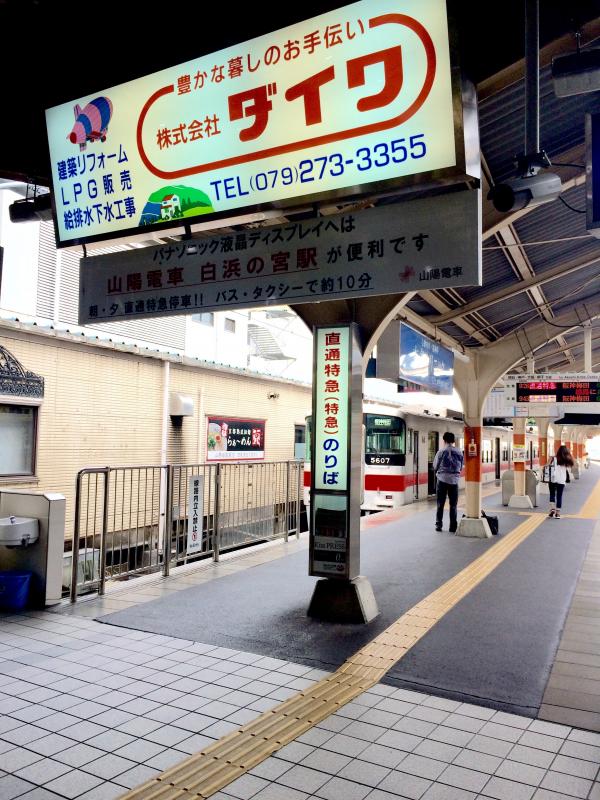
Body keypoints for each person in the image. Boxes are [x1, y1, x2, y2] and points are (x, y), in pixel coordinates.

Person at [433, 432, 464, 532]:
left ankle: (439, 525)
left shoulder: (441, 451)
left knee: (440, 504)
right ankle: (453, 526)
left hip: (442, 480)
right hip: (454, 481)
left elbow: (435, 466)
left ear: (444, 440)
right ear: (453, 440)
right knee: (453, 505)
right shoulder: (459, 452)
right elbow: (461, 467)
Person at [547, 445, 574, 519]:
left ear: (558, 451)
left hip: (553, 478)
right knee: (559, 496)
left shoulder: (553, 458)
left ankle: (552, 509)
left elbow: (546, 466)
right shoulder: (566, 460)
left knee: (552, 494)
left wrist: (550, 461)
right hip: (561, 480)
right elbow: (570, 466)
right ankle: (558, 513)